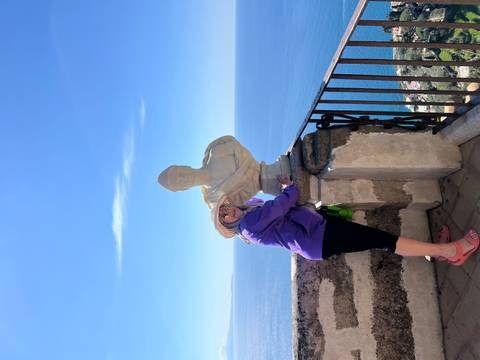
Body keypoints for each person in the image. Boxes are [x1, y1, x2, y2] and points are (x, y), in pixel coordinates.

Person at [212, 176, 479, 265]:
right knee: (384, 240)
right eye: (224, 217)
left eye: (225, 208)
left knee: (378, 237)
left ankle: (437, 252)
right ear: (228, 226)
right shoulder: (247, 226)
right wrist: (290, 188)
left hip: (317, 234)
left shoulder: (247, 222)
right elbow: (279, 205)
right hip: (318, 238)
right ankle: (451, 252)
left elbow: (262, 206)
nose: (227, 213)